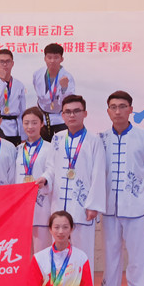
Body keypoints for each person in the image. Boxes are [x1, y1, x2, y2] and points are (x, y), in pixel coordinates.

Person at [94, 90, 144, 286]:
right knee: (110, 253)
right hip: (109, 207)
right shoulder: (101, 139)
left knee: (137, 255)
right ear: (108, 111)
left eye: (122, 106)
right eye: (113, 107)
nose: (118, 111)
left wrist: (139, 196)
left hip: (135, 207)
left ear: (131, 109)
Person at [36, 95, 106, 274]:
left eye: (76, 111)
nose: (72, 115)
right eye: (67, 112)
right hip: (59, 205)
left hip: (82, 207)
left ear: (85, 113)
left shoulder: (94, 140)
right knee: (58, 255)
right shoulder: (57, 138)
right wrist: (45, 178)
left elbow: (98, 174)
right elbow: (51, 167)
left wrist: (93, 205)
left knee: (82, 254)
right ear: (62, 115)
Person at [15, 107, 52, 253]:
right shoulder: (17, 149)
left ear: (42, 124)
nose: (30, 127)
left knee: (41, 251)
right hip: (21, 205)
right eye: (26, 123)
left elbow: (52, 170)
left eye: (34, 123)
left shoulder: (50, 148)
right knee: (20, 252)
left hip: (42, 205)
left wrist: (45, 178)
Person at [32, 43, 75, 141]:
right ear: (45, 58)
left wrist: (64, 88)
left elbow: (68, 102)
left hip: (60, 119)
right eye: (49, 57)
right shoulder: (37, 74)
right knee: (42, 146)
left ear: (61, 59)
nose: (52, 61)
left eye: (56, 57)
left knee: (63, 145)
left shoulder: (67, 77)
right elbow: (38, 91)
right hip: (43, 117)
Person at [0, 49, 26, 146]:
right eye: (1, 62)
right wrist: (1, 81)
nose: (5, 64)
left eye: (8, 61)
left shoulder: (19, 85)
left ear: (12, 63)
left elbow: (22, 111)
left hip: (15, 128)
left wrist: (24, 135)